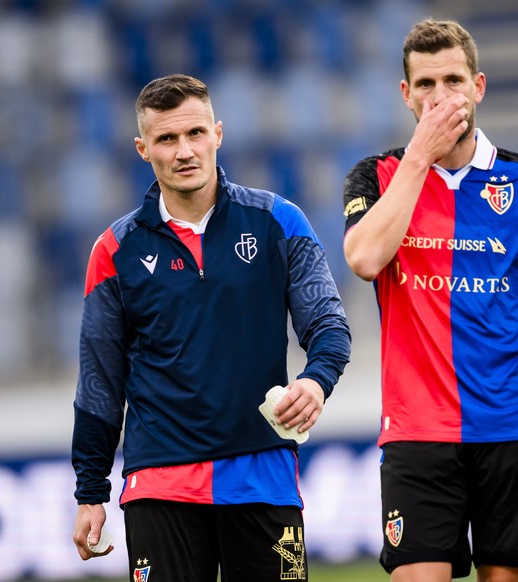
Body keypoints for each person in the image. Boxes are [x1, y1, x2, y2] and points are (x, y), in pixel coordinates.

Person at [342, 18, 518, 582]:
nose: (441, 97)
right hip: (416, 428)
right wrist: (419, 156)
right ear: (405, 95)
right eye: (426, 84)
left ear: (478, 87)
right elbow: (364, 260)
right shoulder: (377, 175)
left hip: (513, 422)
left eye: (453, 80)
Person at [70, 74, 351, 581]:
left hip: (261, 474)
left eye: (195, 133)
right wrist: (91, 492)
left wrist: (316, 380)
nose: (184, 150)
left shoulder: (280, 222)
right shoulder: (113, 252)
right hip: (161, 482)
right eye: (167, 139)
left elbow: (329, 324)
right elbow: (98, 383)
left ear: (218, 134)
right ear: (142, 148)